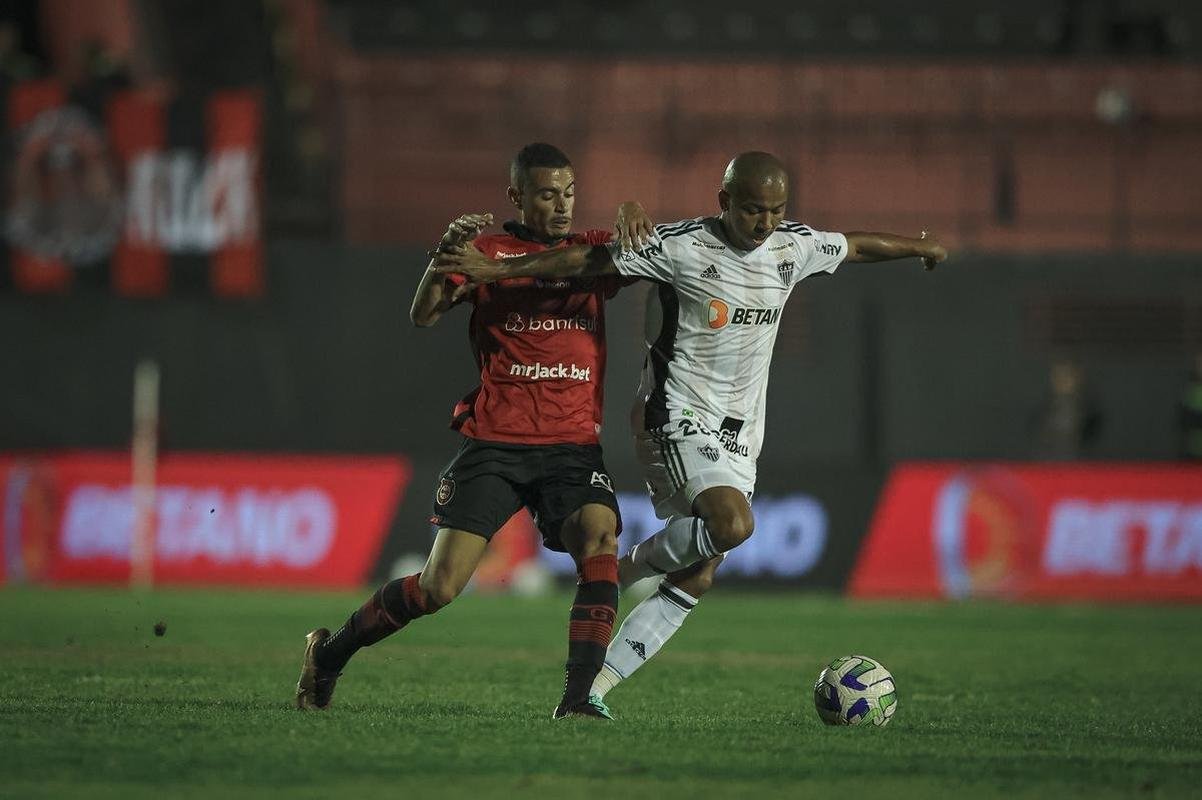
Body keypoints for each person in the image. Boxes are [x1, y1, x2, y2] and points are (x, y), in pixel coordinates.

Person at [434, 151, 948, 706]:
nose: (766, 222)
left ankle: (589, 692)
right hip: (674, 416)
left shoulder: (790, 248)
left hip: (743, 433)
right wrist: (501, 270)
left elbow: (854, 245)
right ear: (724, 201)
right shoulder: (682, 246)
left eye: (777, 210)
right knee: (732, 524)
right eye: (753, 210)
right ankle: (618, 571)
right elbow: (587, 261)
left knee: (699, 573)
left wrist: (918, 247)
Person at [295, 142, 653, 719]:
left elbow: (656, 253)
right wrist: (443, 256)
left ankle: (578, 698)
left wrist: (637, 207)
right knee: (437, 589)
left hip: (570, 447)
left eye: (568, 193)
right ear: (516, 196)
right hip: (496, 444)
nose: (561, 207)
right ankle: (329, 654)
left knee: (600, 542)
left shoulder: (589, 253)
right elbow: (424, 313)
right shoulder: (485, 251)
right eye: (545, 194)